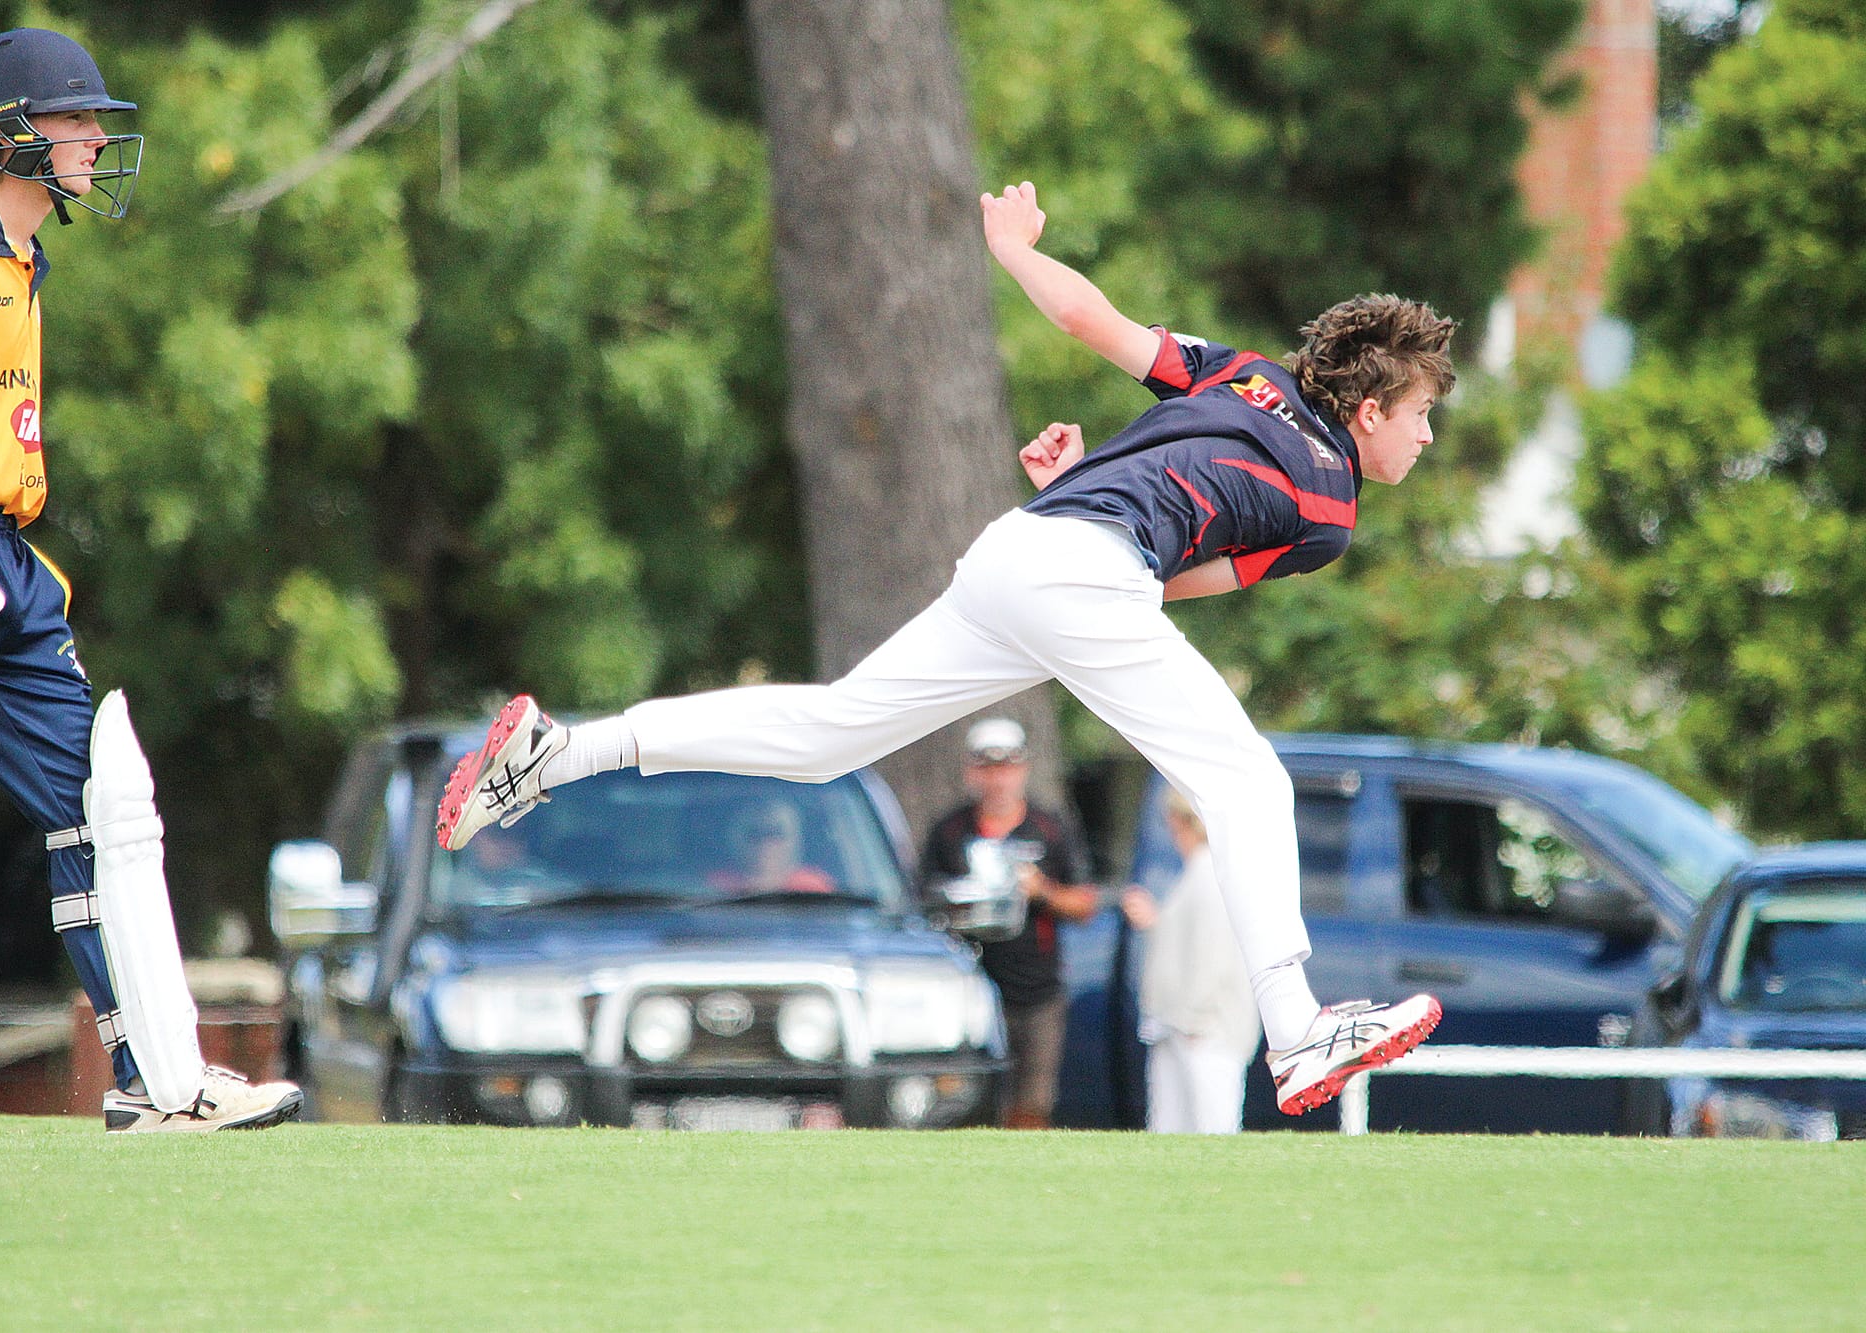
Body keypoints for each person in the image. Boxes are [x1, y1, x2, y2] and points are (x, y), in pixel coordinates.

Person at [436, 179, 1452, 1115]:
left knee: (828, 734)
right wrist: (1094, 505)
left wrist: (1011, 249)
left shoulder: (1240, 373)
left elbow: (1085, 321)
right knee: (1247, 783)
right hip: (1080, 572)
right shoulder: (1327, 508)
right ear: (1366, 412)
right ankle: (1296, 1033)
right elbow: (1177, 576)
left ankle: (559, 753)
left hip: (1021, 552)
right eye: (1420, 416)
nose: (1425, 436)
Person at [0, 30, 300, 1132]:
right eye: (74, 120)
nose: (97, 140)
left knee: (101, 805)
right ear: (5, 133)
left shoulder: (21, 261)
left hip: (5, 561)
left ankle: (156, 1082)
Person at [923, 717, 1098, 1129]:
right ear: (971, 772)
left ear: (1022, 770)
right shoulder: (949, 831)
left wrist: (1042, 891)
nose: (997, 780)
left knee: (1032, 1102)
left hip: (1035, 988)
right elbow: (924, 900)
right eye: (987, 769)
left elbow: (1084, 903)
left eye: (1006, 768)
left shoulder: (1049, 828)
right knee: (963, 1099)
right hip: (968, 984)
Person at [1122, 792, 1260, 1133]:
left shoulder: (1213, 874)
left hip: (1205, 1029)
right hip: (1180, 1025)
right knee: (1174, 1127)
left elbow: (1215, 951)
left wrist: (1196, 1017)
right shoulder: (1202, 873)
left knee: (1212, 1127)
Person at [712, 798, 836, 895]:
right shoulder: (713, 889)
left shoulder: (816, 890)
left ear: (795, 839)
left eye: (776, 833)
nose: (765, 843)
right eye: (754, 833)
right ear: (735, 839)